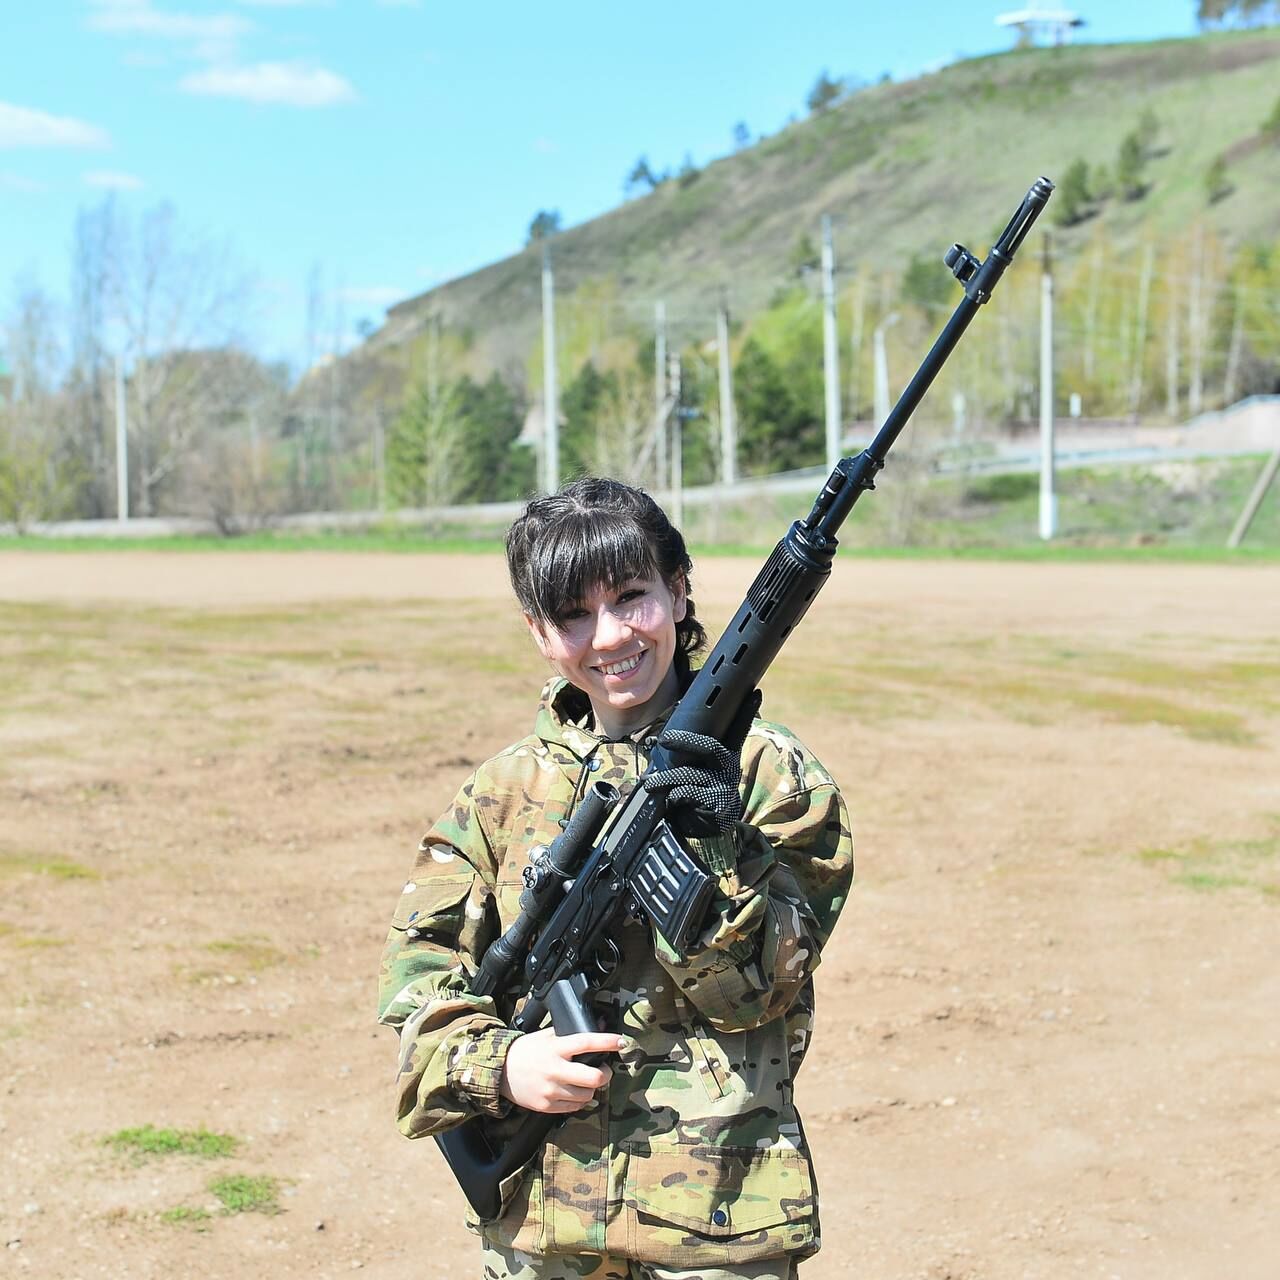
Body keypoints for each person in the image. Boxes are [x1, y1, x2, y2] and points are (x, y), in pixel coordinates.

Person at [377, 477, 853, 1280]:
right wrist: (502, 1065)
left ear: (678, 588)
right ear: (538, 631)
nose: (609, 637)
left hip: (716, 1224)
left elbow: (761, 993)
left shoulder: (772, 778)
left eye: (632, 597)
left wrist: (711, 846)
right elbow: (416, 993)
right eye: (572, 616)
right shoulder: (498, 796)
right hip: (544, 1233)